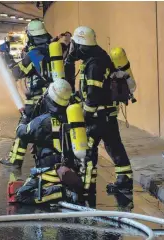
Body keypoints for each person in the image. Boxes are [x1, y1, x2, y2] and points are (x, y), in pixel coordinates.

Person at [64, 26, 133, 195]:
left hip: (97, 116)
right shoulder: (99, 57)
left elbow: (94, 95)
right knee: (114, 146)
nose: (73, 49)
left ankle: (87, 186)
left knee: (88, 150)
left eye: (75, 45)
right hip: (108, 114)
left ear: (82, 45)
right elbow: (93, 91)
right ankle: (124, 180)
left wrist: (85, 116)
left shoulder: (94, 64)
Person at [13, 79, 83, 204]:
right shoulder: (71, 116)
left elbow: (22, 132)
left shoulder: (43, 121)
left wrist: (25, 118)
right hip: (67, 170)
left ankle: (60, 193)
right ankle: (64, 190)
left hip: (49, 172)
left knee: (22, 196)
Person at [0, 19, 54, 168]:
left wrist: (8, 60)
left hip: (37, 99)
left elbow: (17, 73)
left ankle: (15, 160)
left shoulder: (35, 53)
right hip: (53, 98)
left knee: (23, 128)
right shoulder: (54, 50)